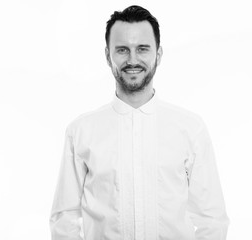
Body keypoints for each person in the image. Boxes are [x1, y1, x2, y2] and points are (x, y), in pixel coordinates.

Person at [50, 5, 229, 240]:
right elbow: (65, 218)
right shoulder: (81, 131)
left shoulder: (190, 129)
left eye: (142, 49)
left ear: (159, 54)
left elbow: (211, 219)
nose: (132, 59)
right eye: (122, 50)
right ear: (107, 56)